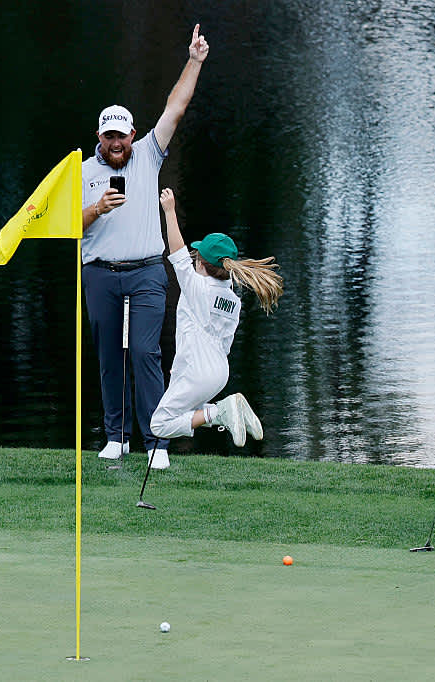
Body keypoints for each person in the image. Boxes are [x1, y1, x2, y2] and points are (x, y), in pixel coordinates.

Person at [81, 25, 209, 469]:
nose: (115, 143)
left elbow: (176, 106)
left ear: (132, 134)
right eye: (108, 137)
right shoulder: (79, 173)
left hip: (147, 272)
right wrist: (96, 208)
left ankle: (156, 441)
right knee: (108, 355)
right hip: (99, 273)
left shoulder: (150, 153)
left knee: (145, 353)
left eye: (121, 135)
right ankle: (116, 436)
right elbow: (68, 226)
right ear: (99, 137)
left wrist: (193, 60)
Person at [148, 188, 283, 467]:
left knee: (159, 425)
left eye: (196, 258)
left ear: (201, 262)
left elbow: (177, 254)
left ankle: (221, 412)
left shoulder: (198, 287)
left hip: (199, 372)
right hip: (218, 372)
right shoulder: (232, 299)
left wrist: (170, 211)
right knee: (194, 410)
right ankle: (234, 410)